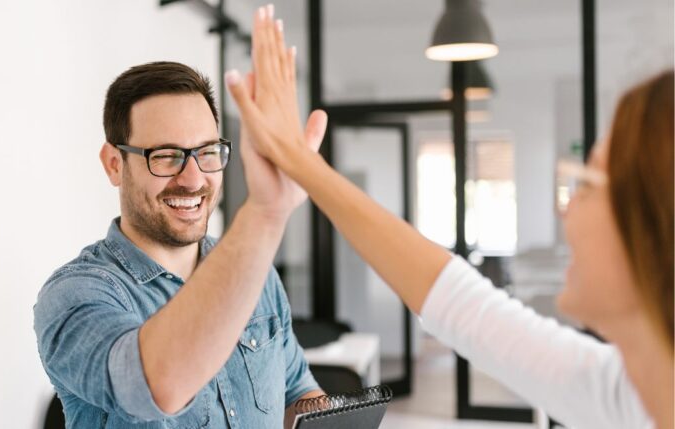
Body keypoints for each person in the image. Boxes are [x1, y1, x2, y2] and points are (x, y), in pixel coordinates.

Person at [226, 5, 674, 429]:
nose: (568, 207)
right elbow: (456, 300)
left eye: (590, 185)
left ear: (657, 225)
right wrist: (301, 168)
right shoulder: (626, 390)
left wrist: (298, 163)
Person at [33, 58, 328, 428]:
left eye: (206, 153)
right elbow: (154, 385)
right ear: (114, 164)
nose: (193, 179)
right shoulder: (76, 294)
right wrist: (265, 212)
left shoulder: (256, 273)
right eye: (167, 156)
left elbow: (299, 393)